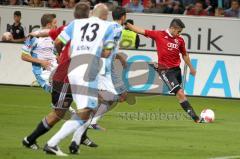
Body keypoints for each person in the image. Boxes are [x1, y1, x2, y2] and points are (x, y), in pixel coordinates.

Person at [43, 3, 116, 156]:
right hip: (88, 70)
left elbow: (57, 42)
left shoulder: (75, 24)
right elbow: (107, 53)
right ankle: (52, 143)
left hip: (73, 69)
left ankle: (74, 143)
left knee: (86, 109)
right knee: (86, 111)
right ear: (104, 16)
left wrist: (60, 55)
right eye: (107, 15)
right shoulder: (108, 27)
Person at [21, 3, 96, 151]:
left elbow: (52, 34)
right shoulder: (75, 28)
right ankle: (44, 142)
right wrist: (60, 53)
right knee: (61, 113)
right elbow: (55, 40)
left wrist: (37, 34)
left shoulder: (71, 27)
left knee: (78, 112)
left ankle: (73, 140)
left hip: (72, 77)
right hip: (64, 78)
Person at [67, 6, 128, 154]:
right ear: (124, 17)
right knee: (111, 98)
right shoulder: (118, 29)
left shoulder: (108, 25)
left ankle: (85, 126)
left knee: (109, 99)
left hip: (101, 68)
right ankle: (84, 124)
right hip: (102, 69)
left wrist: (117, 56)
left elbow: (109, 47)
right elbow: (107, 49)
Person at [125, 18, 203, 123]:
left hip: (176, 70)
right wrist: (126, 24)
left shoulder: (180, 40)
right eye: (178, 31)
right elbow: (141, 30)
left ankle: (157, 66)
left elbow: (184, 55)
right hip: (166, 70)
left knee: (180, 94)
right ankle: (196, 118)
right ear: (173, 28)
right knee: (180, 93)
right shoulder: (159, 34)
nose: (179, 34)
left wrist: (191, 67)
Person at [21, 13, 57, 93]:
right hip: (43, 72)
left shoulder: (54, 37)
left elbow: (54, 53)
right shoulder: (33, 37)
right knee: (57, 90)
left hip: (55, 68)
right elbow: (23, 56)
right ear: (48, 25)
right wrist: (42, 62)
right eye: (55, 23)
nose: (56, 25)